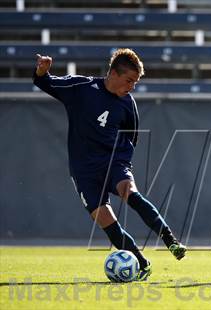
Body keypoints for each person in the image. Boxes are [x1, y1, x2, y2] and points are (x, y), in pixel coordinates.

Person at [33, 48, 186, 281]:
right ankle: (142, 264)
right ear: (113, 73)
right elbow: (46, 82)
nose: (132, 86)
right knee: (105, 219)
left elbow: (132, 136)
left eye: (135, 82)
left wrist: (122, 162)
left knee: (129, 191)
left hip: (114, 162)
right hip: (83, 169)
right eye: (129, 80)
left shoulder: (127, 103)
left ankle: (170, 241)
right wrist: (42, 71)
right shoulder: (81, 88)